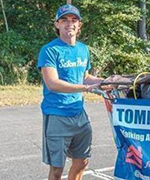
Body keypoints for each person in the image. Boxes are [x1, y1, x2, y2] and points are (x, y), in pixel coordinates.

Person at [37, 4, 104, 180]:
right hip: (57, 115)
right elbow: (53, 83)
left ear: (79, 25)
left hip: (79, 114)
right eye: (64, 20)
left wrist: (106, 82)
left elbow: (85, 77)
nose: (70, 24)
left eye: (74, 20)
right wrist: (85, 88)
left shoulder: (83, 49)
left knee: (82, 162)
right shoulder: (49, 50)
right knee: (57, 169)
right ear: (57, 24)